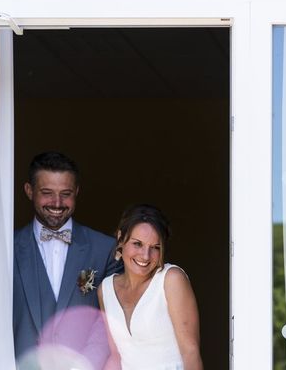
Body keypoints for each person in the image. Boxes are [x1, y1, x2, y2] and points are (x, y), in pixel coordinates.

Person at [13, 151, 121, 368]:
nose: (57, 202)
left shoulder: (105, 249)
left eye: (66, 193)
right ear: (29, 191)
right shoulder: (6, 250)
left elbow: (111, 322)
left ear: (77, 192)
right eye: (47, 192)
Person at [98, 204, 203, 370]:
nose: (145, 256)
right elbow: (116, 356)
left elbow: (190, 352)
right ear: (120, 239)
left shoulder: (171, 280)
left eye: (155, 247)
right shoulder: (105, 289)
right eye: (137, 244)